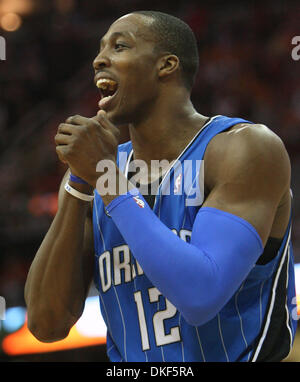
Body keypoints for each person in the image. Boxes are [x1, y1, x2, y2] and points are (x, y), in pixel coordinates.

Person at [24, 10, 297, 362]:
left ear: (166, 65)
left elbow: (200, 296)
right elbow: (47, 325)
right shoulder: (95, 173)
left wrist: (107, 176)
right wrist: (79, 182)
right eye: (100, 49)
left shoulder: (243, 148)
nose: (98, 60)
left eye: (119, 46)